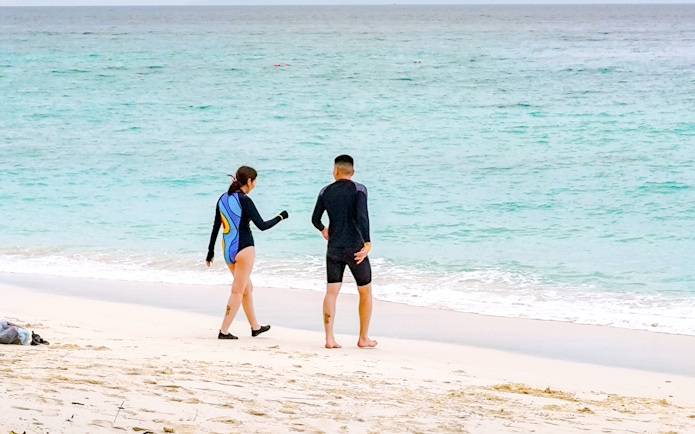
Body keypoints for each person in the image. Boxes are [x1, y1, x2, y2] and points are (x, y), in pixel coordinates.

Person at [206, 166, 288, 340]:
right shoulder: (245, 200)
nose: (255, 184)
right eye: (255, 181)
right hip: (244, 249)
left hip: (227, 249)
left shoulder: (222, 199)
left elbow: (215, 226)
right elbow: (262, 225)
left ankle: (255, 327)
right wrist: (281, 216)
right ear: (249, 181)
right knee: (237, 290)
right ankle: (224, 331)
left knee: (246, 288)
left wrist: (210, 252)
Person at [311, 155, 377, 349]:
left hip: (334, 249)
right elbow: (363, 217)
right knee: (365, 292)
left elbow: (315, 218)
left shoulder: (325, 191)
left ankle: (329, 339)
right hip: (355, 249)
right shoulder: (359, 189)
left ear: (335, 171)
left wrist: (324, 229)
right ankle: (363, 338)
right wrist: (367, 244)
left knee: (331, 292)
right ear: (353, 172)